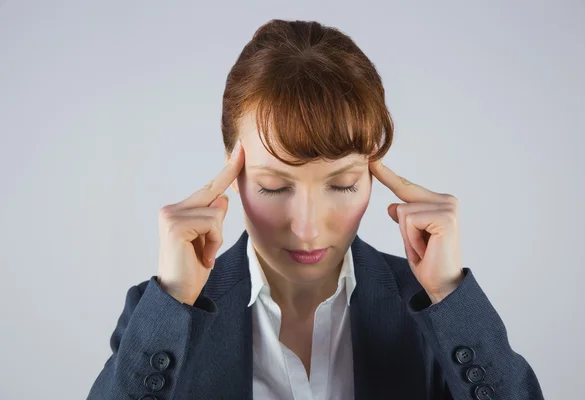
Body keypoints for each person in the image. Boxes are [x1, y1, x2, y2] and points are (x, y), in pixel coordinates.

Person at [87, 19, 545, 400]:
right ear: (232, 173)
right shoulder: (161, 317)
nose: (307, 229)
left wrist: (448, 294)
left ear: (372, 173)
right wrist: (172, 300)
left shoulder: (434, 313)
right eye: (272, 187)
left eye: (342, 184)